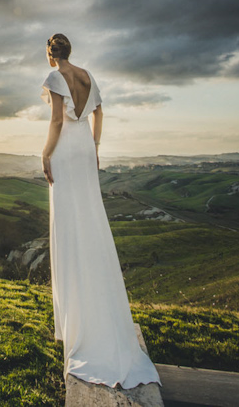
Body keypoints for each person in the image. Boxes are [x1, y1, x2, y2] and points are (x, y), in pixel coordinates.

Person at [41, 33, 162, 391]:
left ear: (50, 55)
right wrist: (94, 146)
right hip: (84, 150)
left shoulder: (54, 77)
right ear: (70, 52)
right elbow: (99, 112)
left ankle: (76, 324)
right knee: (90, 223)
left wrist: (46, 153)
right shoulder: (88, 76)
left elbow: (57, 122)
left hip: (64, 150)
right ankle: (90, 313)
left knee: (69, 226)